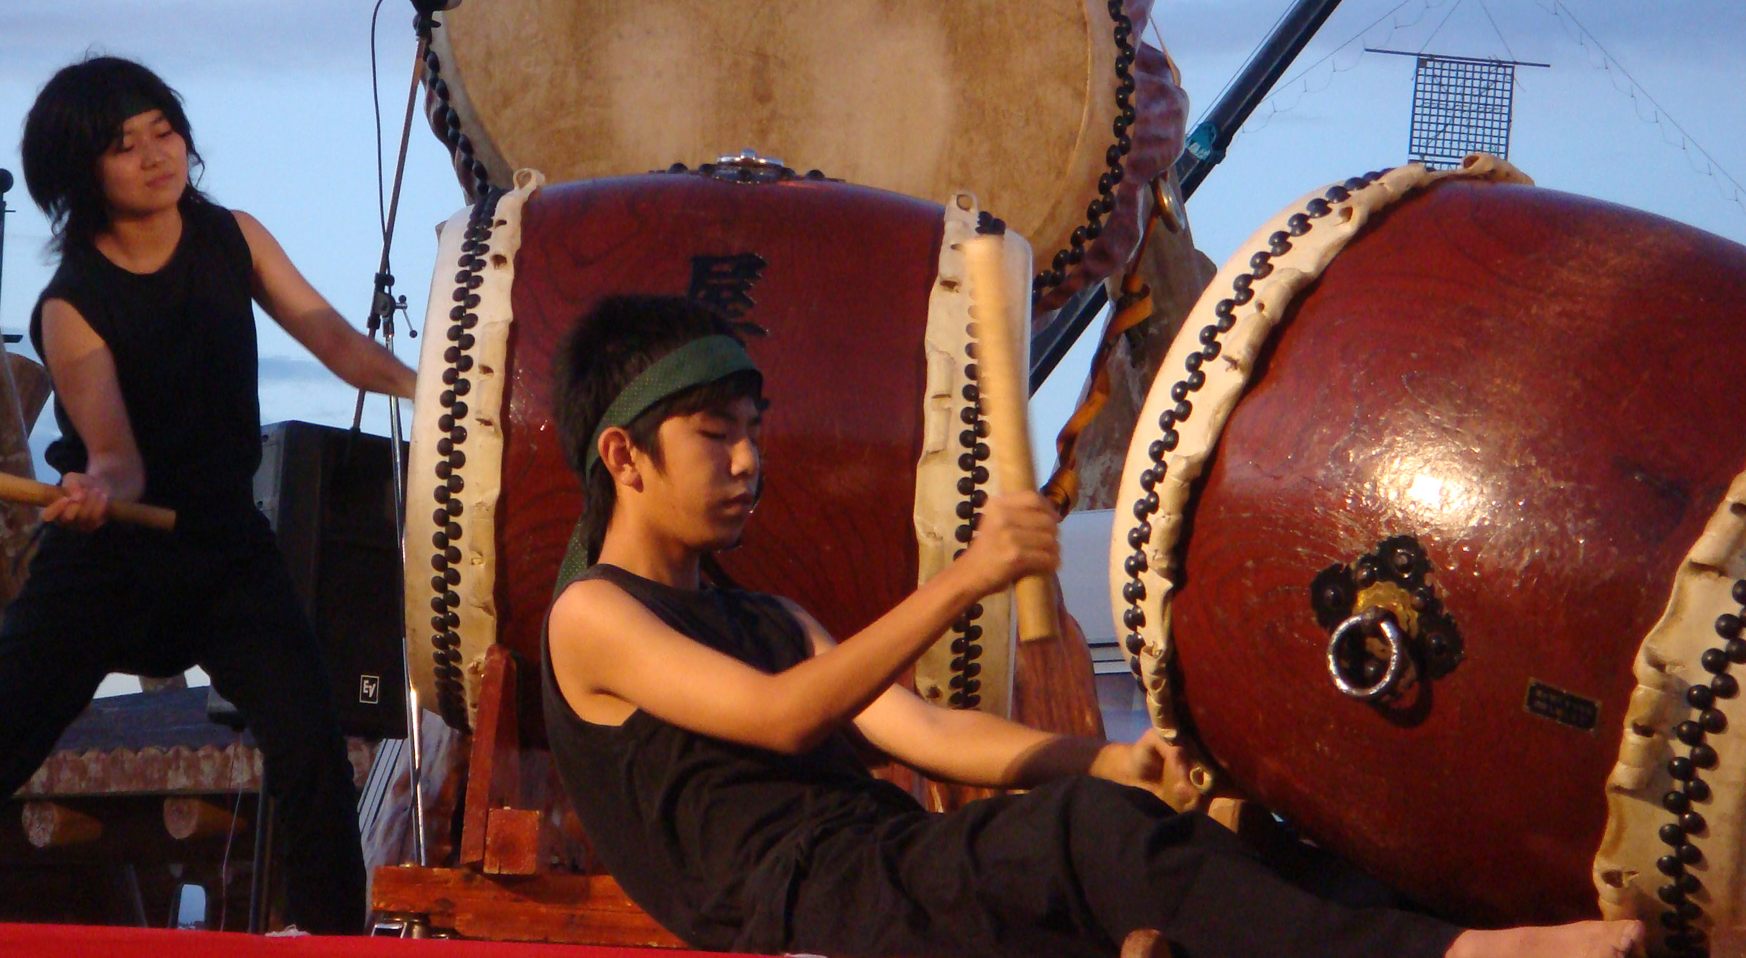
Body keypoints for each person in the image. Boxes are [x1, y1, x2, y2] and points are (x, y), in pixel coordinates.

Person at [543, 295, 1645, 958]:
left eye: (752, 431)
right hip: (792, 911)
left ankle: (1456, 918)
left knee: (1209, 837)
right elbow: (784, 721)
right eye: (712, 435)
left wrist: (1112, 756)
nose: (747, 461)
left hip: (885, 872)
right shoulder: (594, 616)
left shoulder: (767, 614)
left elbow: (928, 734)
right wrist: (969, 578)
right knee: (1084, 839)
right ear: (626, 457)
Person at [0, 55, 415, 933]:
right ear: (80, 173)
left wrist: (432, 388)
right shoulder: (73, 302)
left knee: (313, 751)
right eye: (122, 145)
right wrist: (97, 489)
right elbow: (117, 459)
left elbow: (333, 338)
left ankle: (336, 945)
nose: (154, 155)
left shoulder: (234, 237)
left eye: (163, 131)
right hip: (105, 565)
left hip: (226, 552)